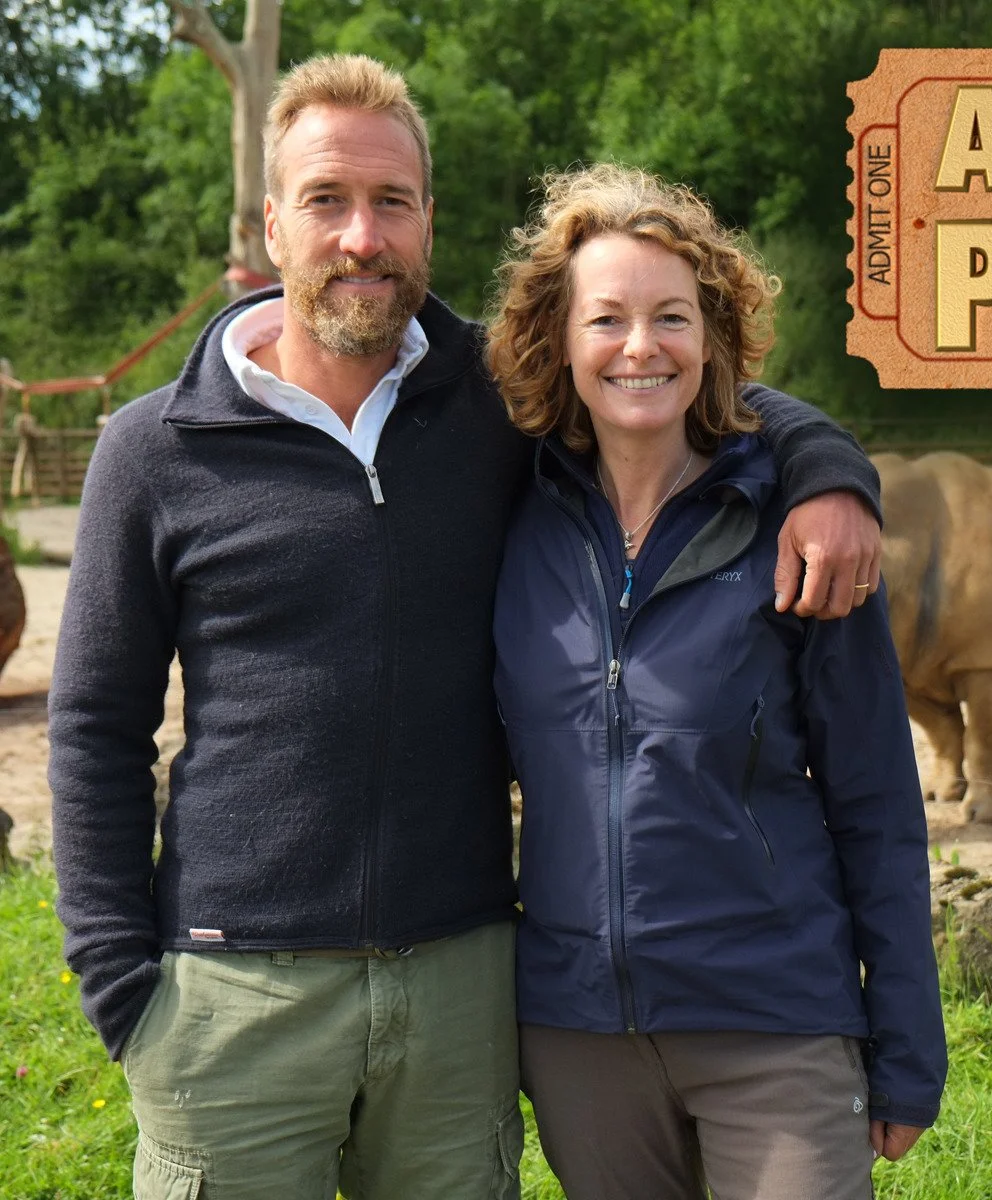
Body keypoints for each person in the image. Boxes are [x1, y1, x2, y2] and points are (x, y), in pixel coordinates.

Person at [48, 55, 885, 1199]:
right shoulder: (151, 449)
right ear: (272, 222)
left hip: (460, 991)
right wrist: (119, 984)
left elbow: (664, 372)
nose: (361, 237)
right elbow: (94, 725)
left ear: (428, 219)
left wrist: (829, 468)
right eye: (327, 201)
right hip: (233, 996)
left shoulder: (499, 402)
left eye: (392, 203)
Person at [485, 163, 946, 1200]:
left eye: (672, 317)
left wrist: (907, 1038)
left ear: (714, 339)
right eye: (606, 318)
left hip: (774, 1020)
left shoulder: (798, 535)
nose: (640, 346)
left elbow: (876, 800)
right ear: (559, 340)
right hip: (576, 1035)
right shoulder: (509, 517)